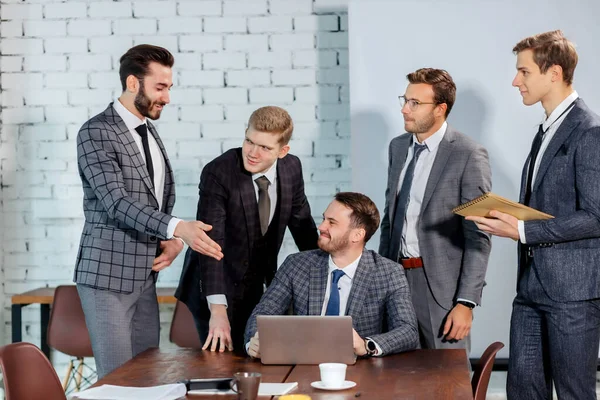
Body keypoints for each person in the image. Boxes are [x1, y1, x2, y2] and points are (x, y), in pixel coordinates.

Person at [74, 44, 222, 378]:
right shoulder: (96, 132)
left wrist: (169, 240)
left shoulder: (147, 129)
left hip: (144, 278)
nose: (167, 97)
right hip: (107, 280)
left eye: (169, 87)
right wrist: (177, 227)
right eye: (160, 87)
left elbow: (151, 201)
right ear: (132, 83)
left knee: (146, 376)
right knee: (118, 380)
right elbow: (116, 201)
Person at [467, 30, 600, 400]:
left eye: (523, 72)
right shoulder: (546, 130)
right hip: (530, 287)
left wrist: (523, 229)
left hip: (572, 294)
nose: (515, 81)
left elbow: (596, 216)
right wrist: (507, 218)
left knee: (574, 393)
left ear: (554, 73)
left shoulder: (590, 131)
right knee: (523, 391)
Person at [175, 106, 319, 353]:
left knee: (258, 360)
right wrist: (218, 311)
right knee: (222, 365)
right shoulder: (218, 172)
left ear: (283, 151)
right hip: (215, 284)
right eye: (249, 141)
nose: (252, 153)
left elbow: (303, 225)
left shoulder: (292, 168)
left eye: (265, 147)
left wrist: (326, 270)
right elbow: (211, 243)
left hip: (258, 284)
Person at [378, 68, 492, 351]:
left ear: (440, 109)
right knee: (398, 377)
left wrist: (466, 302)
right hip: (395, 280)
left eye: (414, 103)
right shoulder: (398, 147)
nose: (405, 109)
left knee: (446, 385)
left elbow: (478, 235)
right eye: (404, 100)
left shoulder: (467, 153)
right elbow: (391, 221)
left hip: (441, 289)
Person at [245, 192, 419, 358]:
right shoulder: (296, 265)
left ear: (357, 235)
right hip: (304, 364)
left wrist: (366, 345)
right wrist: (253, 342)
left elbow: (408, 330)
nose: (321, 227)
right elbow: (263, 311)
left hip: (362, 370)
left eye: (332, 222)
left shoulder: (389, 273)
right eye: (324, 219)